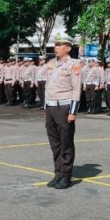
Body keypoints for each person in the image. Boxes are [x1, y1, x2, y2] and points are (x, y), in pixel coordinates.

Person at [43, 33, 81, 190]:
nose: (56, 47)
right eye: (55, 45)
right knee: (55, 144)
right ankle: (58, 173)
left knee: (66, 143)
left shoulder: (74, 65)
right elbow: (48, 86)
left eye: (60, 45)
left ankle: (66, 176)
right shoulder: (51, 64)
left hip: (64, 108)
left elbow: (76, 88)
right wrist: (46, 106)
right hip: (51, 107)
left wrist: (73, 112)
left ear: (69, 47)